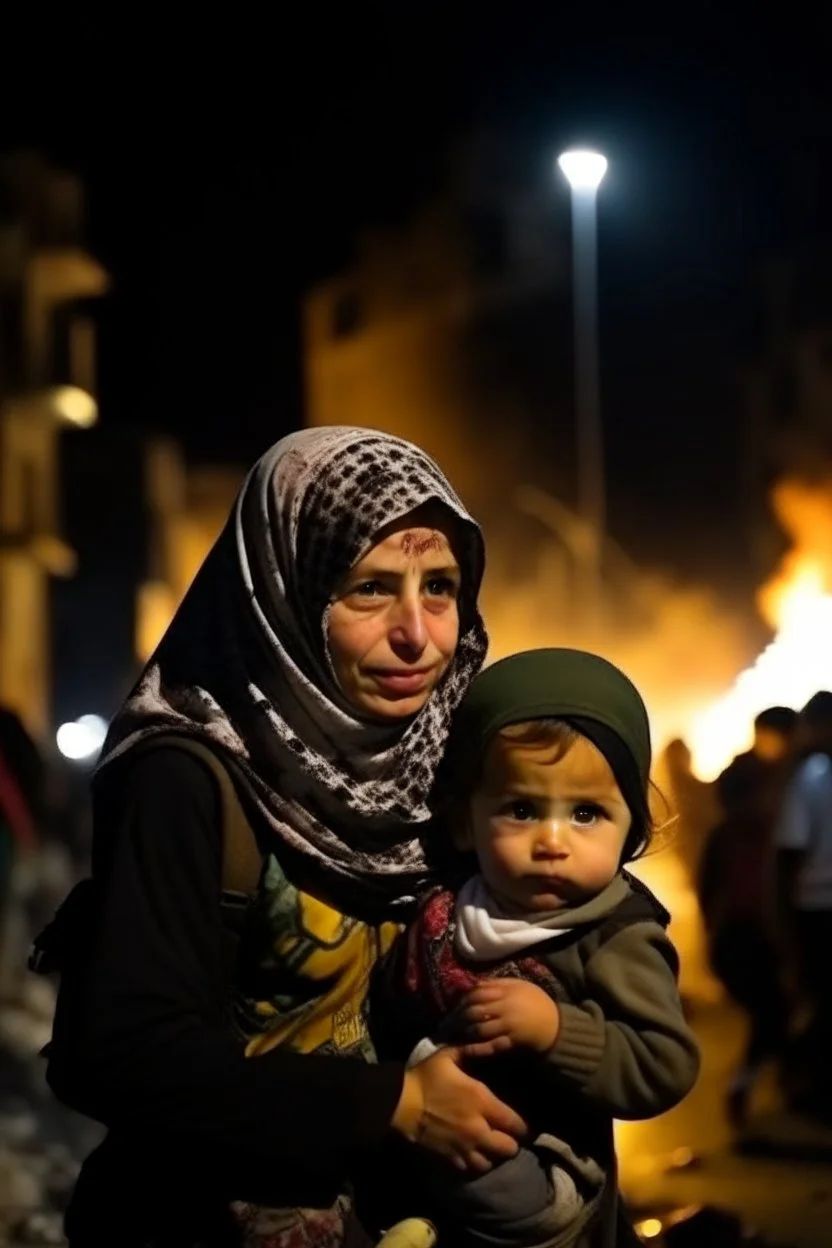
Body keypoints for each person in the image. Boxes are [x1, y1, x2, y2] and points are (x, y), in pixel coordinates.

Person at [54, 427, 527, 1248]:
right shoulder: (184, 778)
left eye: (441, 587)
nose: (419, 636)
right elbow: (126, 1054)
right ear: (280, 589)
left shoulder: (451, 768)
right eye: (370, 589)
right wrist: (396, 1104)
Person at [372, 648, 700, 1248]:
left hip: (546, 1182)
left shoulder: (615, 935)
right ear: (466, 822)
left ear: (632, 828)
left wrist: (556, 1030)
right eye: (521, 810)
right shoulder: (447, 906)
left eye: (586, 813)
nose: (552, 841)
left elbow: (664, 1064)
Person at [698, 753, 790, 1129]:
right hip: (748, 938)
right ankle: (747, 1088)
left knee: (774, 1016)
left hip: (744, 939)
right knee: (773, 1016)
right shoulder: (743, 835)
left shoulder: (737, 834)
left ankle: (768, 1089)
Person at [772, 691, 832, 1118]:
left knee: (816, 1001)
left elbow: (789, 852)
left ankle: (809, 1092)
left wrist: (781, 919)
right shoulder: (812, 776)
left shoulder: (809, 777)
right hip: (816, 909)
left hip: (815, 910)